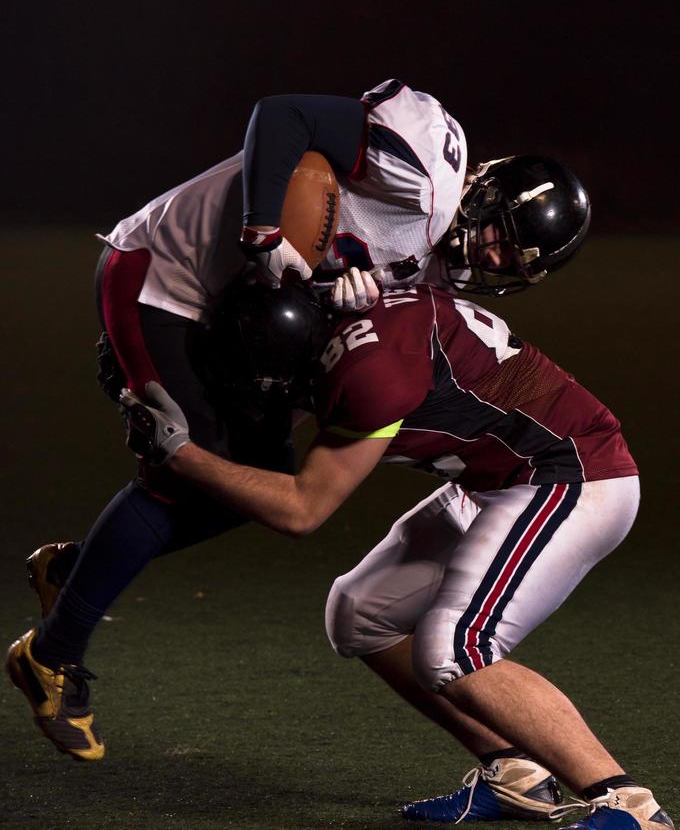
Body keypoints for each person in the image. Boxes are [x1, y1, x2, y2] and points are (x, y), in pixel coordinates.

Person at [4, 76, 578, 762]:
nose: (489, 257)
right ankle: (51, 655)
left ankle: (79, 572)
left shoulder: (437, 280)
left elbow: (314, 323)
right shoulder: (424, 169)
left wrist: (336, 294)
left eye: (508, 262)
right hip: (168, 270)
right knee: (182, 462)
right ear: (484, 192)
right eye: (497, 236)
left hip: (233, 315)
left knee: (256, 479)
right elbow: (282, 117)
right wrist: (262, 228)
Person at [119, 276, 672, 829]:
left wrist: (178, 452)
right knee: (361, 613)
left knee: (456, 647)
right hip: (497, 480)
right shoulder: (349, 324)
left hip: (568, 477)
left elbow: (299, 509)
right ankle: (515, 772)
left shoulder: (370, 373)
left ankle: (629, 804)